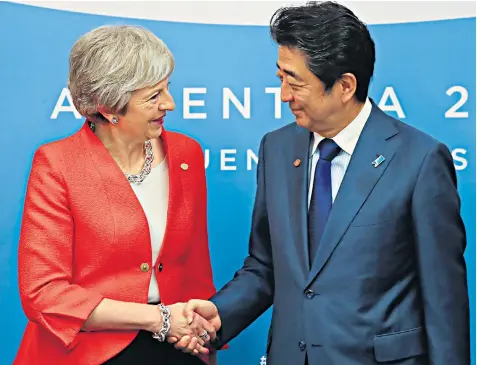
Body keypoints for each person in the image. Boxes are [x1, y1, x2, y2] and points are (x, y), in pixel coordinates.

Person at [177, 2, 471, 365]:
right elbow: (267, 265)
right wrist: (220, 313)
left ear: (345, 85)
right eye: (280, 77)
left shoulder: (420, 160)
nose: (284, 95)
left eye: (295, 81)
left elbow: (444, 301)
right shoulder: (277, 148)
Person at [14, 25, 222, 365]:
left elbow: (196, 271)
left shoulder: (187, 154)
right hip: (86, 351)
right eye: (154, 96)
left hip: (176, 347)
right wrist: (158, 319)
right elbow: (43, 294)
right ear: (109, 107)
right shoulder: (56, 164)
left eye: (167, 89)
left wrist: (202, 343)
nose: (169, 103)